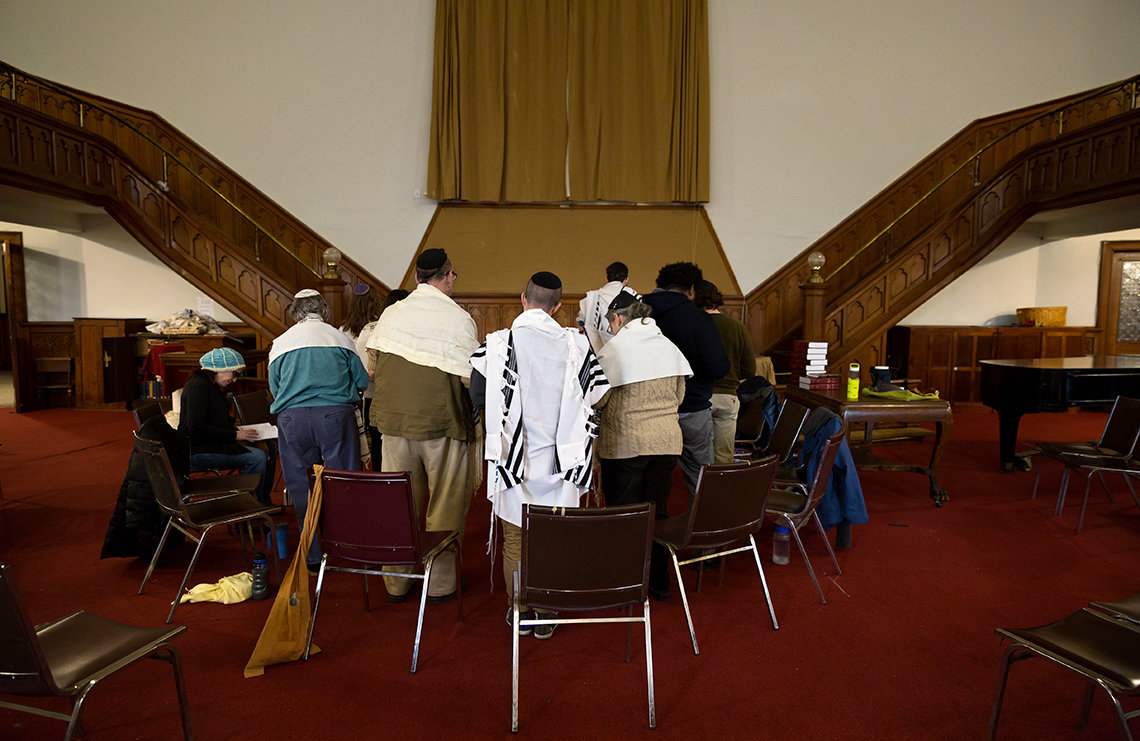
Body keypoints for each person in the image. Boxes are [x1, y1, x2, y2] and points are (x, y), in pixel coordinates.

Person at [470, 271, 609, 639]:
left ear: (522, 299)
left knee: (514, 540)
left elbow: (475, 395)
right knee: (552, 539)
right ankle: (546, 613)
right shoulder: (576, 344)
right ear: (558, 306)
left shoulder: (497, 344)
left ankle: (519, 611)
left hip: (514, 459)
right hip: (562, 463)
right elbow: (599, 396)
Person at [366, 249, 478, 603]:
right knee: (445, 503)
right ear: (447, 277)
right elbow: (469, 376)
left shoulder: (391, 314)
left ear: (416, 279)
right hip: (441, 423)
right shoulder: (458, 318)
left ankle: (396, 582)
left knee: (398, 504)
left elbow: (373, 361)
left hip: (394, 424)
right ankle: (440, 584)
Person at [594, 292, 691, 601]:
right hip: (666, 441)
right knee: (657, 513)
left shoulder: (616, 349)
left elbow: (599, 397)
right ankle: (658, 583)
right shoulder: (668, 345)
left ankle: (624, 584)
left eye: (611, 323)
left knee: (624, 514)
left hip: (626, 443)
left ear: (618, 318)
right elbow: (679, 396)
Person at [269, 289, 369, 572]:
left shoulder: (281, 343)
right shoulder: (339, 338)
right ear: (324, 310)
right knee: (344, 481)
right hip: (335, 417)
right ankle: (348, 550)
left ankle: (312, 558)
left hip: (292, 420)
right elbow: (361, 380)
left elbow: (275, 388)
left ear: (294, 311)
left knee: (301, 487)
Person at [641, 262, 729, 499]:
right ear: (691, 288)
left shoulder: (636, 313)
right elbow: (718, 367)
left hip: (647, 411)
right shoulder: (698, 319)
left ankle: (652, 530)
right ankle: (701, 532)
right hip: (691, 408)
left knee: (651, 479)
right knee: (699, 479)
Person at [178, 348, 271, 505]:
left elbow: (215, 422)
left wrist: (237, 432)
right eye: (235, 373)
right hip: (195, 451)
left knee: (268, 447)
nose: (235, 379)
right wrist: (235, 436)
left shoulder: (211, 385)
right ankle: (248, 505)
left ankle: (262, 501)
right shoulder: (198, 387)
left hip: (208, 445)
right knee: (257, 457)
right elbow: (196, 429)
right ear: (220, 369)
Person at [694, 279, 756, 464]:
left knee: (696, 455)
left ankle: (697, 491)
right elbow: (749, 370)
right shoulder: (737, 327)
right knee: (723, 455)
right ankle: (720, 490)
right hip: (728, 396)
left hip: (699, 398)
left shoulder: (694, 327)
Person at [358, 288, 408, 457]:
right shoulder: (409, 330)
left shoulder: (371, 329)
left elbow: (367, 371)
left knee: (380, 447)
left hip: (377, 396)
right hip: (396, 397)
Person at [577, 260, 639, 352]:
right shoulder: (636, 298)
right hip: (629, 353)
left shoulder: (590, 299)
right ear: (626, 279)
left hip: (597, 356)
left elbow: (581, 323)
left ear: (606, 278)